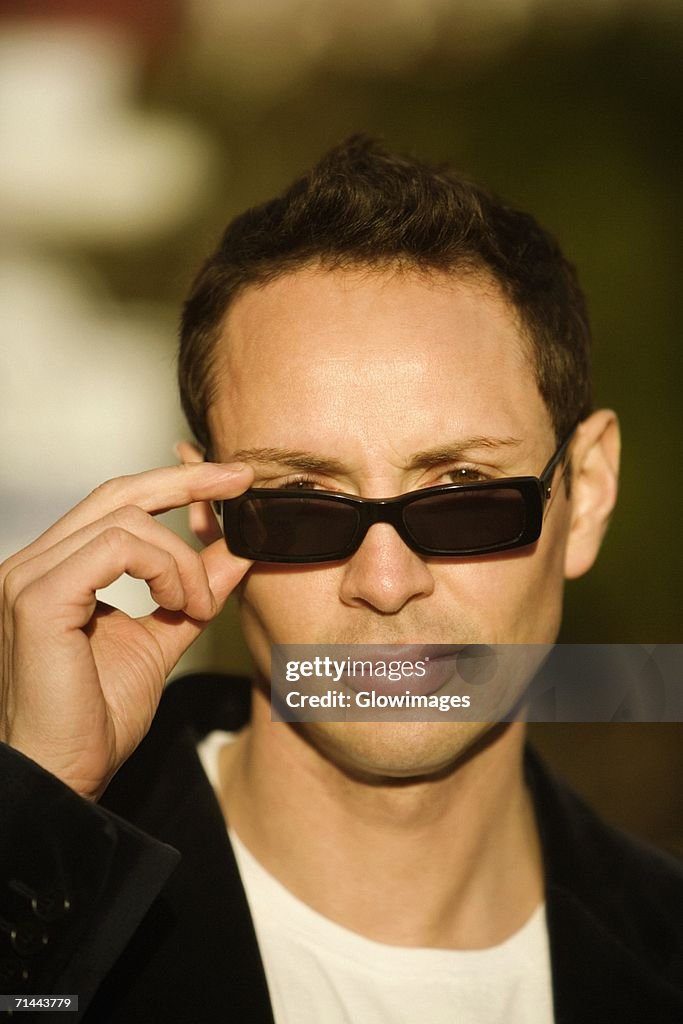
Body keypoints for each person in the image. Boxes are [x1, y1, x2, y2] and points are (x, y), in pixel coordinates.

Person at [0, 136, 681, 1024]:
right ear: (207, 516)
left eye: (460, 493)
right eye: (302, 503)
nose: (386, 580)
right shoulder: (42, 909)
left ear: (585, 494)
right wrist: (35, 810)